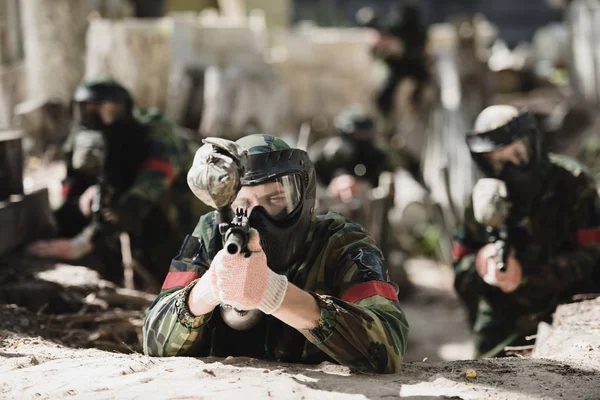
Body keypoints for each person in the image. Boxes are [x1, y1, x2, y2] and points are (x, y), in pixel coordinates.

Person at [143, 134, 409, 374]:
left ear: (303, 198)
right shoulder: (211, 233)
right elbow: (153, 341)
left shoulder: (342, 242)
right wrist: (207, 291)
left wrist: (275, 295)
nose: (258, 217)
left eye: (276, 199)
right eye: (243, 204)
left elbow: (388, 346)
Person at [27, 76, 207, 288]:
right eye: (87, 109)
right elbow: (70, 189)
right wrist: (80, 204)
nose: (95, 116)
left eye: (104, 108)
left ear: (124, 107)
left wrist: (84, 243)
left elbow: (144, 196)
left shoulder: (158, 133)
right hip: (127, 214)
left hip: (183, 221)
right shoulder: (82, 138)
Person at [453, 105, 600, 358]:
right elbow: (460, 269)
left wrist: (528, 276)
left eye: (517, 156)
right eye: (499, 161)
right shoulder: (483, 200)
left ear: (531, 145)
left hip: (572, 301)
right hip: (507, 311)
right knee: (485, 379)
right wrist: (482, 266)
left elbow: (592, 255)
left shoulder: (573, 182)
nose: (511, 169)